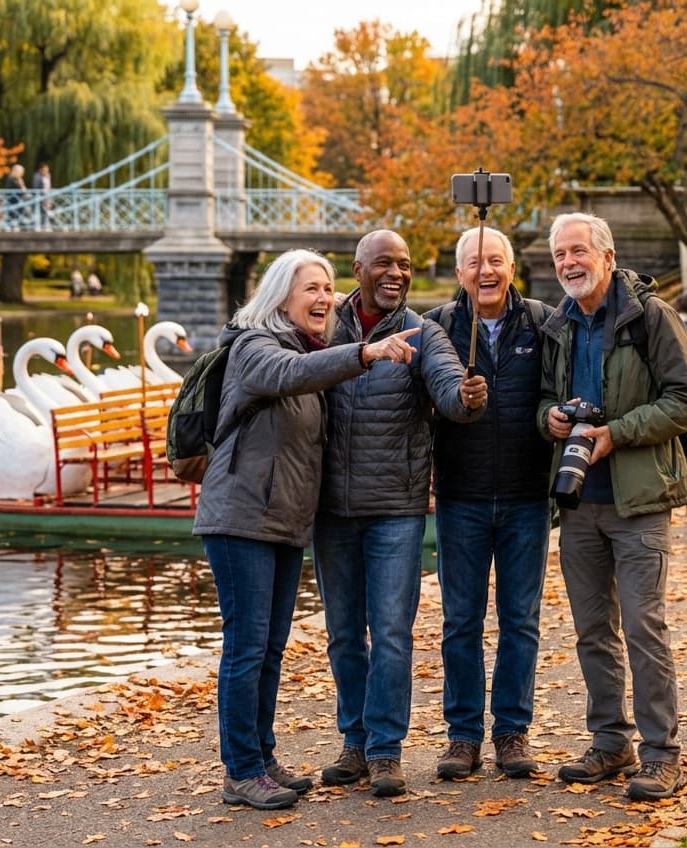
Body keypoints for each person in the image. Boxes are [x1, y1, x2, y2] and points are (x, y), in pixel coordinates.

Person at [193, 249, 422, 811]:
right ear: (281, 297)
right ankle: (240, 770)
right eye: (310, 289)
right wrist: (366, 352)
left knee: (269, 649)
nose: (324, 298)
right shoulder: (254, 347)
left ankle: (262, 757)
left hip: (284, 523)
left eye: (328, 288)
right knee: (246, 649)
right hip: (241, 518)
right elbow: (289, 376)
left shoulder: (306, 349)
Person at [536, 213, 687, 801]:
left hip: (639, 500)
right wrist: (551, 419)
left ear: (607, 255)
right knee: (592, 631)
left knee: (643, 627)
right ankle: (611, 743)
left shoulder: (650, 317)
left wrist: (617, 432)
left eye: (578, 251)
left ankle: (662, 755)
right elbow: (542, 401)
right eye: (560, 255)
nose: (568, 264)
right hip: (578, 500)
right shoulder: (559, 323)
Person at [314, 229, 486, 798]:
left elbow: (444, 380)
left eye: (405, 265)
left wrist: (463, 397)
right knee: (343, 634)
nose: (396, 273)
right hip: (331, 509)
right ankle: (354, 743)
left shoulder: (423, 330)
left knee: (390, 632)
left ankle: (385, 751)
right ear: (357, 269)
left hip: (396, 507)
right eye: (384, 263)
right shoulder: (321, 329)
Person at [424, 227, 553, 781]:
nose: (486, 271)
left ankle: (511, 731)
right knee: (460, 621)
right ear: (459, 273)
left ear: (511, 267)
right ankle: (463, 735)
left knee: (520, 620)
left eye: (495, 261)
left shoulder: (544, 323)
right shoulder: (437, 328)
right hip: (462, 496)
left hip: (527, 495)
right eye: (475, 262)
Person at [4, 164, 27, 230]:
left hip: (18, 201)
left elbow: (24, 190)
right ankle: (15, 225)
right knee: (14, 215)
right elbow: (21, 190)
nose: (22, 174)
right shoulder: (11, 180)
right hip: (14, 201)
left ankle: (18, 224)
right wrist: (21, 185)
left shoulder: (18, 180)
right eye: (21, 172)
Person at [32, 163, 52, 230]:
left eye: (47, 169)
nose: (46, 171)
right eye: (45, 169)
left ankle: (46, 224)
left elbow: (49, 186)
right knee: (41, 210)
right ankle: (39, 225)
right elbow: (36, 186)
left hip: (47, 196)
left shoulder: (48, 175)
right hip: (40, 196)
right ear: (40, 170)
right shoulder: (37, 176)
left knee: (46, 210)